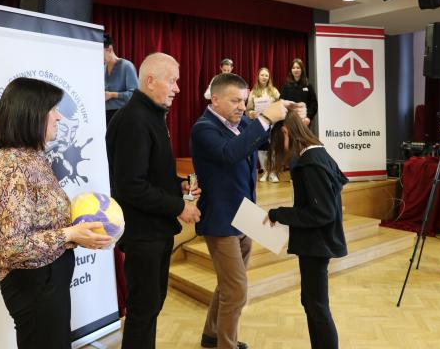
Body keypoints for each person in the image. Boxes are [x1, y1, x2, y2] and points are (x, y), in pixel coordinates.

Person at [0, 77, 112, 349]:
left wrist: (81, 230)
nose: (59, 117)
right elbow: (11, 246)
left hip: (47, 280)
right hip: (35, 285)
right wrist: (70, 234)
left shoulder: (32, 158)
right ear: (31, 113)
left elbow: (44, 221)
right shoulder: (12, 168)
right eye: (52, 109)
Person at [106, 52, 201, 349]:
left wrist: (177, 185)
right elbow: (131, 186)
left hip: (154, 231)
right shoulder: (134, 120)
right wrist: (180, 206)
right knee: (143, 310)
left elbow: (150, 174)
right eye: (172, 81)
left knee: (151, 306)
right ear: (150, 81)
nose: (177, 88)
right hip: (143, 234)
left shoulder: (149, 115)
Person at [191, 73, 288, 349]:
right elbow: (230, 153)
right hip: (220, 218)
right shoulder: (203, 128)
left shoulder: (242, 122)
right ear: (215, 99)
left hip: (245, 214)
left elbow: (261, 143)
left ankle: (211, 335)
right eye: (235, 101)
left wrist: (287, 121)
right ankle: (227, 345)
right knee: (236, 291)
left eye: (244, 101)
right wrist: (265, 119)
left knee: (229, 285)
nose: (242, 107)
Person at [264, 110, 347, 349]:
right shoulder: (316, 153)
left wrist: (279, 214)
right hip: (315, 242)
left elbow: (322, 212)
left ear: (285, 132)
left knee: (317, 307)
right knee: (311, 302)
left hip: (317, 244)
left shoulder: (310, 162)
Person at [246, 67, 280, 182]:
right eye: (262, 75)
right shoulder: (253, 92)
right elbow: (248, 110)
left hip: (273, 123)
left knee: (273, 148)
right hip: (259, 124)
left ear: (269, 77)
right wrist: (252, 113)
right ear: (258, 77)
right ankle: (265, 171)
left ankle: (273, 172)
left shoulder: (274, 91)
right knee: (261, 148)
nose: (264, 77)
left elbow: (280, 105)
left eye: (266, 75)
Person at [104, 34, 138, 125]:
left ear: (110, 49)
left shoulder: (127, 66)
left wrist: (112, 95)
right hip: (105, 116)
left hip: (123, 115)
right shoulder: (103, 68)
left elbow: (135, 95)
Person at [280, 58, 318, 127]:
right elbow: (281, 102)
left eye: (298, 68)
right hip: (290, 121)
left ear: (302, 69)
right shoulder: (286, 86)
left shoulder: (308, 85)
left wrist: (308, 117)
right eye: (293, 68)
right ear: (291, 70)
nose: (296, 70)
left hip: (304, 121)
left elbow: (313, 104)